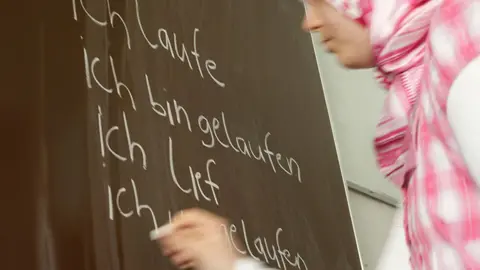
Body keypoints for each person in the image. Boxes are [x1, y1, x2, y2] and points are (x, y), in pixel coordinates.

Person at [154, 0, 480, 269]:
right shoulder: (423, 120)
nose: (309, 22)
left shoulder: (466, 53)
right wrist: (231, 264)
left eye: (321, 2)